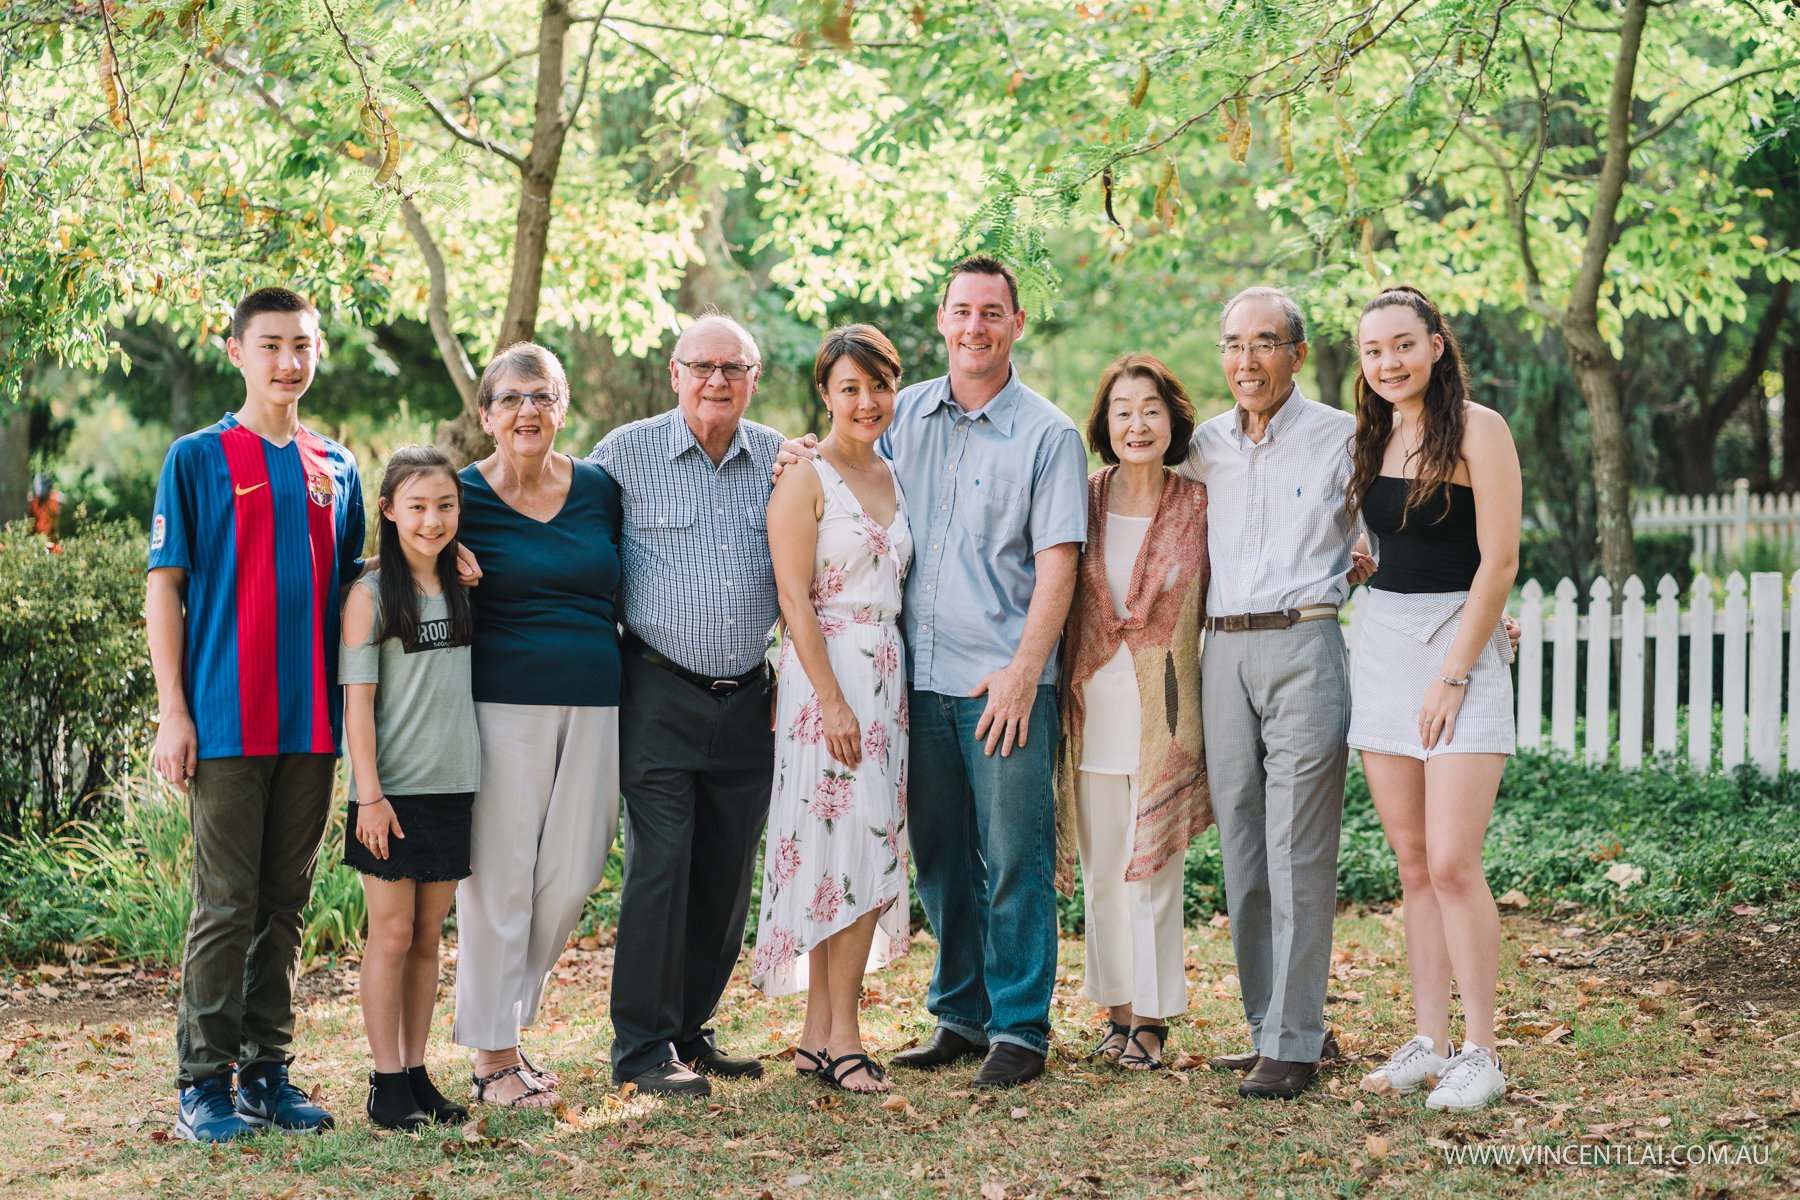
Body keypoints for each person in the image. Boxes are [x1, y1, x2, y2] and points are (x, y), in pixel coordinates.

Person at [781, 255, 1090, 1087]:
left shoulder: (1049, 434)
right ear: (943, 320)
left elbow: (1058, 563)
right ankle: (960, 1012)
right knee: (943, 858)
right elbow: (839, 466)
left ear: (1016, 324)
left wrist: (1028, 671)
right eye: (962, 311)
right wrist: (797, 451)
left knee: (1015, 854)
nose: (976, 327)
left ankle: (1019, 1027)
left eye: (993, 312)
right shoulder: (902, 414)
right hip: (910, 684)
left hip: (1003, 684)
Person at [147, 287, 358, 1141]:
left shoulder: (335, 465)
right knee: (226, 903)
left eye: (302, 345)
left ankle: (269, 1072)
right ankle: (205, 1082)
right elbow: (166, 588)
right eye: (270, 345)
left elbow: (350, 589)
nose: (288, 361)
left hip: (313, 723)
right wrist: (174, 712)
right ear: (235, 350)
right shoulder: (197, 457)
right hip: (228, 719)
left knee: (286, 901)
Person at [1182, 286, 1374, 1100]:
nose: (1245, 360)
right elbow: (1125, 487)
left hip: (1304, 642)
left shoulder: (1346, 437)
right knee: (1245, 849)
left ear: (1296, 353)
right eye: (1232, 343)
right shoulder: (1202, 446)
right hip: (1221, 652)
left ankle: (1293, 1039)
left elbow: (1395, 532)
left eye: (1264, 343)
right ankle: (1277, 1028)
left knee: (1299, 844)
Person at [593, 314, 784, 1097]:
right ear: (675, 373)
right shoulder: (621, 455)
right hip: (657, 691)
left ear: (753, 379)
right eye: (701, 366)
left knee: (726, 870)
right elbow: (563, 531)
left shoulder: (780, 459)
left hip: (749, 700)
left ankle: (688, 1030)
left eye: (732, 368)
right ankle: (640, 1050)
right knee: (661, 864)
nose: (716, 381)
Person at [1344, 286, 1521, 1113]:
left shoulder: (1480, 429)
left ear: (1437, 345)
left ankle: (1482, 1051)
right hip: (1382, 645)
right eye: (1374, 350)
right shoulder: (1372, 433)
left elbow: (1499, 562)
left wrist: (1456, 670)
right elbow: (1377, 542)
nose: (1388, 363)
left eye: (1403, 345)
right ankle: (1429, 1041)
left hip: (1462, 653)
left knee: (1452, 863)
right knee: (1412, 865)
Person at [452, 344, 624, 1109]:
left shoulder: (597, 489)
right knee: (499, 878)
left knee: (574, 871)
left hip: (596, 698)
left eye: (544, 397)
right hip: (500, 703)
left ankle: (508, 1028)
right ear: (486, 415)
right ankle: (495, 1059)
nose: (529, 411)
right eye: (513, 398)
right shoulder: (458, 496)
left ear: (563, 408)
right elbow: (398, 565)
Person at [752, 325, 913, 1093]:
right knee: (849, 846)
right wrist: (834, 702)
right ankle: (846, 1037)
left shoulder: (895, 471)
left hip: (889, 677)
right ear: (826, 395)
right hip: (829, 682)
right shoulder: (804, 476)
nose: (866, 401)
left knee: (855, 848)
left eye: (878, 386)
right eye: (849, 388)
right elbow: (792, 598)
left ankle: (819, 1034)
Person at [1053, 354, 1211, 1072]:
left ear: (1172, 419)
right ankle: (1116, 1013)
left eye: (1150, 409)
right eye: (1122, 411)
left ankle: (1152, 1019)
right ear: (1104, 424)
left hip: (1166, 715)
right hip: (1090, 712)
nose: (1137, 423)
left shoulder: (1198, 502)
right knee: (1105, 870)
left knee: (1153, 876)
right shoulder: (1080, 498)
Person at [340, 445, 480, 1131]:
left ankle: (418, 1071)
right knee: (391, 934)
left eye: (445, 506)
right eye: (417, 507)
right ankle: (384, 1079)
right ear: (389, 511)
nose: (432, 520)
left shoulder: (462, 582)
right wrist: (369, 794)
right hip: (390, 793)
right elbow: (358, 705)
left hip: (455, 786)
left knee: (429, 936)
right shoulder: (368, 597)